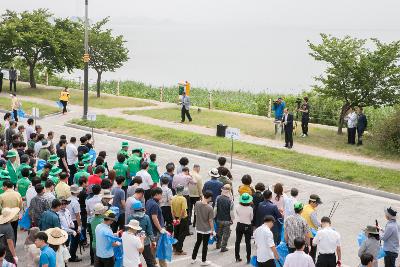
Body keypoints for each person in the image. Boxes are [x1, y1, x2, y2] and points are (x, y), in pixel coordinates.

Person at [128, 200, 156, 267]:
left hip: (133, 243)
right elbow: (149, 231)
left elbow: (127, 231)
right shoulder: (146, 217)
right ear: (141, 208)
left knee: (134, 261)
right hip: (145, 242)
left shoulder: (130, 218)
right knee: (149, 261)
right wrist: (153, 241)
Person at [191, 190, 215, 266]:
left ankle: (193, 258)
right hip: (206, 229)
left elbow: (195, 213)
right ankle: (203, 261)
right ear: (210, 197)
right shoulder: (210, 208)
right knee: (205, 245)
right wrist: (212, 230)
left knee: (198, 242)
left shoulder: (197, 203)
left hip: (198, 227)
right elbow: (210, 220)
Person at [145, 187, 168, 267]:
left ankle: (153, 262)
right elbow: (154, 218)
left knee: (153, 247)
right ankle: (158, 264)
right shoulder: (154, 204)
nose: (161, 196)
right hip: (155, 230)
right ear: (157, 194)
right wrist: (160, 229)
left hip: (151, 229)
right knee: (159, 248)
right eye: (161, 194)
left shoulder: (148, 201)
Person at [301, 194, 322, 262]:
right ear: (312, 202)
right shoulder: (312, 212)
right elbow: (316, 223)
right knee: (312, 253)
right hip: (311, 235)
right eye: (317, 203)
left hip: (303, 234)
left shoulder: (304, 207)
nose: (317, 205)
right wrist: (322, 224)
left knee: (304, 252)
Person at [214, 184, 234, 252]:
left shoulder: (218, 198)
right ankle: (223, 247)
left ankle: (218, 244)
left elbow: (215, 208)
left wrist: (214, 217)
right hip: (227, 220)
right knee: (226, 235)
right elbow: (231, 212)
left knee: (219, 233)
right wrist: (232, 219)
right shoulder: (230, 200)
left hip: (219, 219)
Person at [235, 193, 253, 263]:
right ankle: (248, 258)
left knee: (237, 241)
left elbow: (237, 214)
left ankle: (237, 257)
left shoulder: (237, 206)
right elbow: (251, 218)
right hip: (247, 225)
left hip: (239, 224)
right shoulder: (250, 208)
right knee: (248, 242)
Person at [171, 185, 189, 255]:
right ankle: (179, 249)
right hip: (183, 218)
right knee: (182, 234)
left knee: (176, 233)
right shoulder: (183, 199)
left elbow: (171, 210)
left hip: (175, 217)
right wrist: (179, 219)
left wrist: (174, 219)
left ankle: (175, 246)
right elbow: (183, 210)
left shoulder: (173, 198)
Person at [67, 185, 82, 262]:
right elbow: (77, 215)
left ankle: (71, 255)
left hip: (69, 220)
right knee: (75, 240)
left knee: (72, 239)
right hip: (74, 221)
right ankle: (72, 256)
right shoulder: (75, 202)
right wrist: (79, 226)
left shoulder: (68, 199)